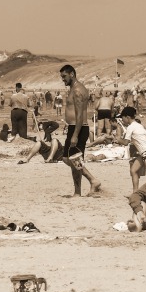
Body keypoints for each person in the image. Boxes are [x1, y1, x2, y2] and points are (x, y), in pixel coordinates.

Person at [59, 64, 101, 197]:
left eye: (64, 76)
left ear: (72, 74)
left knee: (74, 159)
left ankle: (87, 185)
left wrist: (75, 135)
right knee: (68, 158)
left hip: (78, 128)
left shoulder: (77, 90)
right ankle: (89, 183)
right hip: (74, 127)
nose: (63, 79)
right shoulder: (75, 88)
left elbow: (79, 115)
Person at [114, 106, 146, 190]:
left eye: (122, 118)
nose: (122, 120)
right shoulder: (139, 125)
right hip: (145, 152)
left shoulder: (130, 127)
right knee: (133, 170)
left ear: (127, 117)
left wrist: (118, 139)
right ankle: (135, 192)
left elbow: (125, 142)